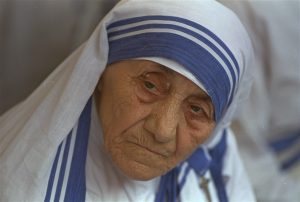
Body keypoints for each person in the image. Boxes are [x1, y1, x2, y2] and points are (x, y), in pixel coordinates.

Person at [0, 0, 255, 201]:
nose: (162, 130)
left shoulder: (218, 158)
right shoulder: (18, 184)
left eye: (197, 109)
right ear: (100, 72)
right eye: (150, 85)